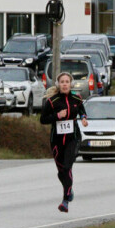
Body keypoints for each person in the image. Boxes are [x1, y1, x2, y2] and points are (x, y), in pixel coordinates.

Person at [40, 72, 88, 212]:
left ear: (71, 84)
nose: (65, 84)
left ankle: (65, 200)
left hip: (73, 138)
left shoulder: (76, 98)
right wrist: (57, 115)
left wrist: (84, 118)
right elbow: (43, 119)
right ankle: (69, 189)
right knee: (61, 172)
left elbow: (81, 110)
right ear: (58, 84)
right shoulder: (52, 101)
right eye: (62, 82)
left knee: (67, 167)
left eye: (67, 81)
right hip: (57, 140)